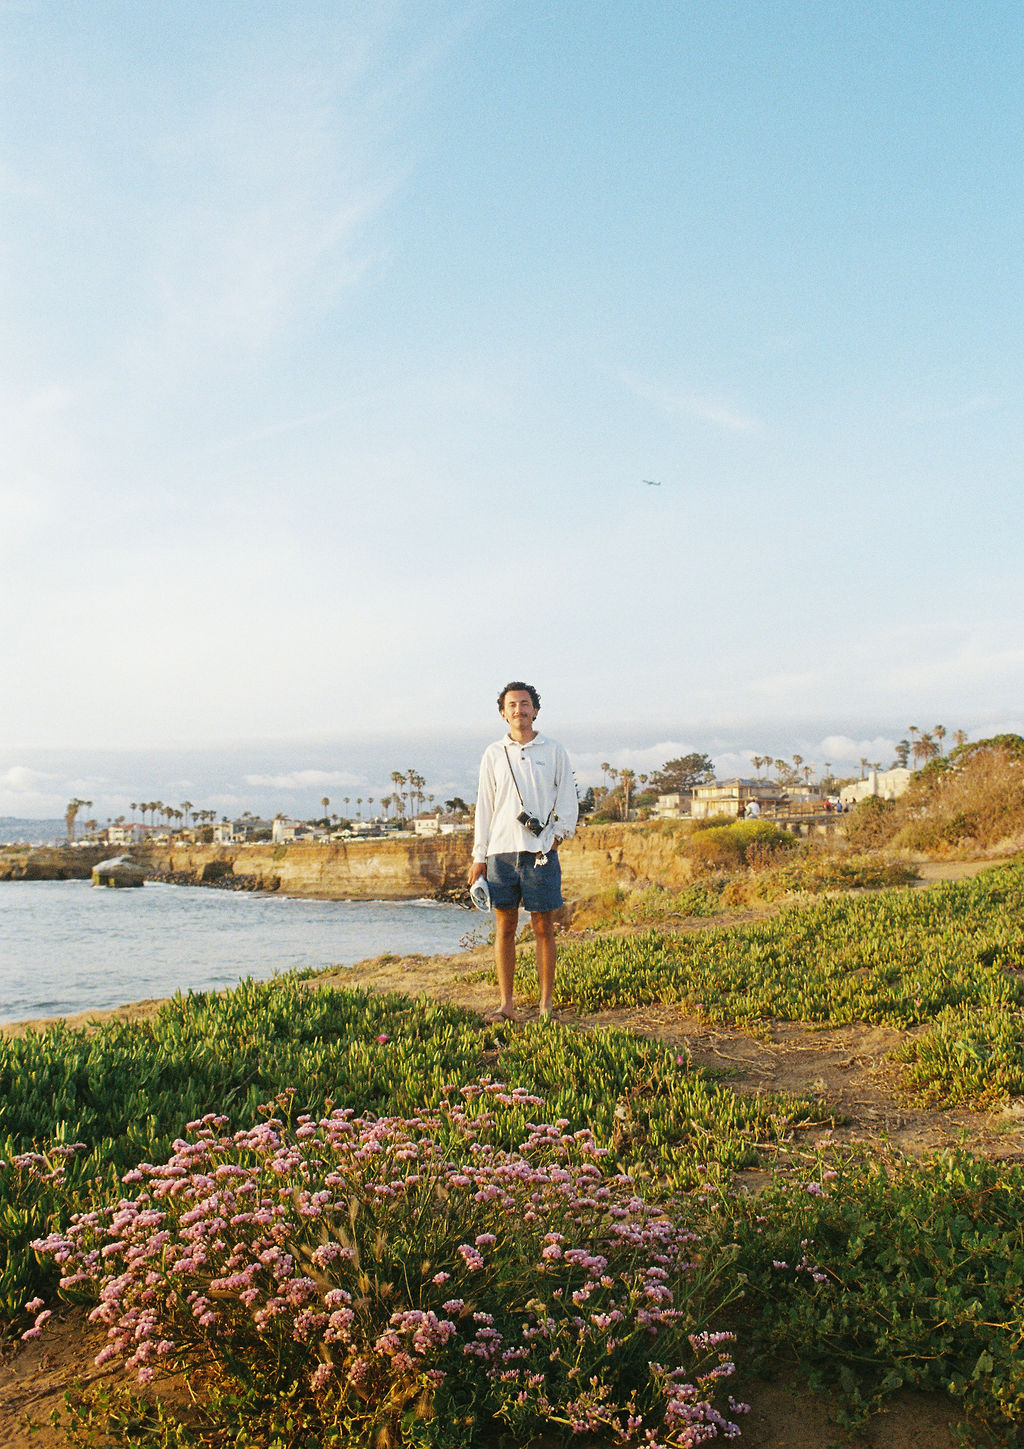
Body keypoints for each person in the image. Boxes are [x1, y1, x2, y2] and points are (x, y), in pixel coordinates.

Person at [468, 681, 578, 1022]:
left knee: (544, 927)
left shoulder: (554, 749)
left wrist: (558, 835)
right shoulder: (493, 753)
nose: (519, 710)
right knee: (505, 928)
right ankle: (506, 1005)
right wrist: (478, 856)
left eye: (525, 704)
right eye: (512, 705)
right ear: (503, 713)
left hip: (540, 852)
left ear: (535, 709)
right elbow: (484, 806)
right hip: (500, 853)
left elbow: (568, 797)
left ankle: (546, 1006)